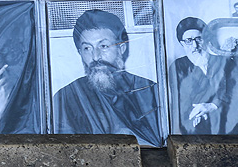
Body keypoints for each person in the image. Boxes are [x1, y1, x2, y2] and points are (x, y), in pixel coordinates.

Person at [52, 9, 162, 146]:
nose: (95, 57)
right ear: (79, 52)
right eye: (87, 48)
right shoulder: (66, 97)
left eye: (103, 46)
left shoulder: (150, 91)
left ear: (121, 49)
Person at [170, 17, 238, 135]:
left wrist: (212, 105)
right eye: (189, 40)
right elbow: (181, 99)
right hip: (195, 122)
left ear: (205, 40)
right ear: (182, 43)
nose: (195, 45)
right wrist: (196, 113)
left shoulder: (225, 62)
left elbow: (237, 91)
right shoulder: (177, 66)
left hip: (229, 120)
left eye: (198, 39)